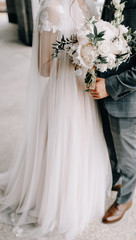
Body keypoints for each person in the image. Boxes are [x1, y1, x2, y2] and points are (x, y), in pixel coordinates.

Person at [0, 0, 112, 239]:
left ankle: (80, 194)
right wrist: (76, 57)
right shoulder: (52, 9)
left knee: (84, 142)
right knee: (62, 146)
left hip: (85, 92)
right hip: (62, 96)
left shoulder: (89, 6)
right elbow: (43, 68)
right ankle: (56, 202)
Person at [89, 0, 136, 223]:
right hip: (103, 85)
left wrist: (111, 86)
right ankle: (116, 179)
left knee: (127, 151)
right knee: (111, 143)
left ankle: (125, 198)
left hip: (130, 93)